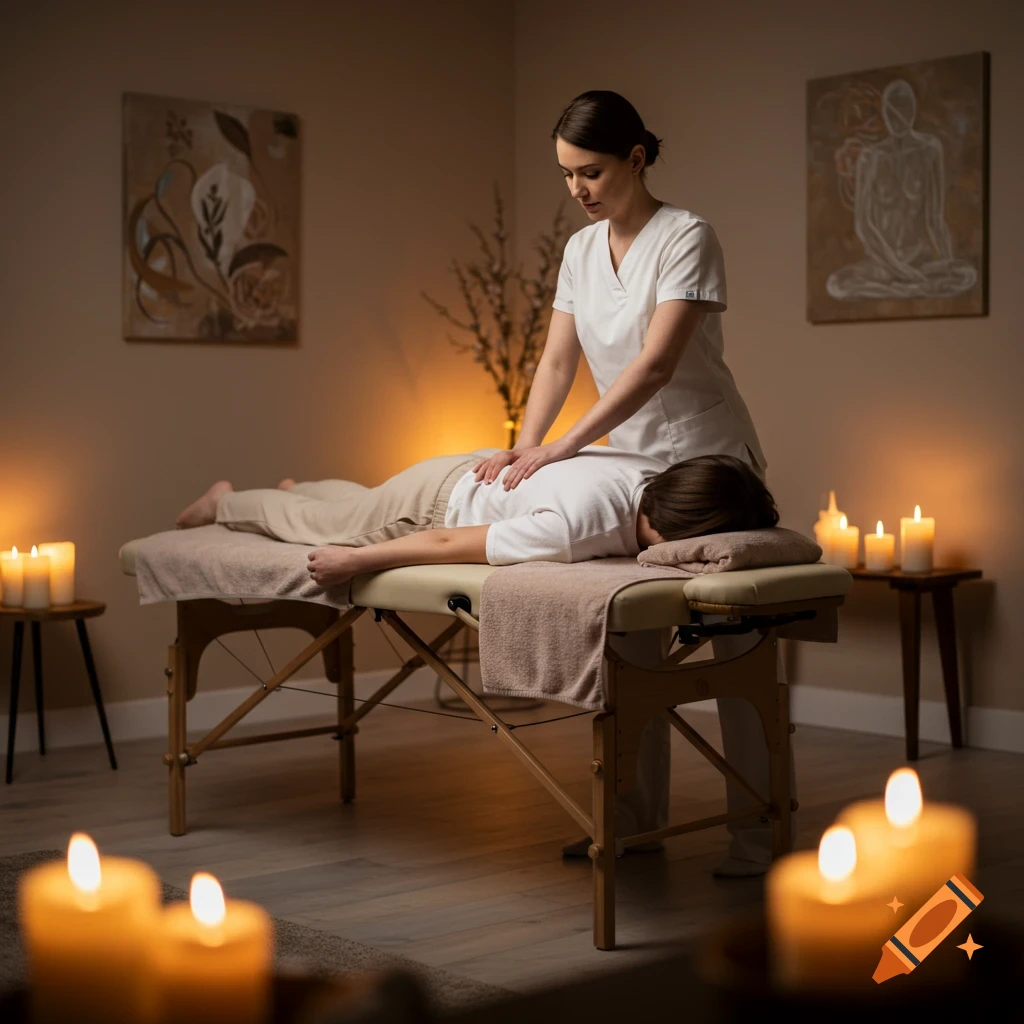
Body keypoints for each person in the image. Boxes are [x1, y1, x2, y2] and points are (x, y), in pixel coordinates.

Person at [470, 90, 785, 876]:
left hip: (710, 464)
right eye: (567, 174)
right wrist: (525, 447)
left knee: (736, 653)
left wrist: (563, 450)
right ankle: (635, 819)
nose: (578, 188)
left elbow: (656, 364)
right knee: (633, 640)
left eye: (592, 171)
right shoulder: (581, 251)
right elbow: (555, 362)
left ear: (637, 159)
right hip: (637, 465)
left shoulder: (688, 236)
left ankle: (757, 832)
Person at [175, 448, 780, 589]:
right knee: (329, 528)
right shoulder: (573, 531)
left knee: (352, 506)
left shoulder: (650, 468)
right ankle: (225, 500)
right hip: (437, 501)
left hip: (468, 466)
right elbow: (441, 541)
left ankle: (298, 490)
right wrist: (355, 562)